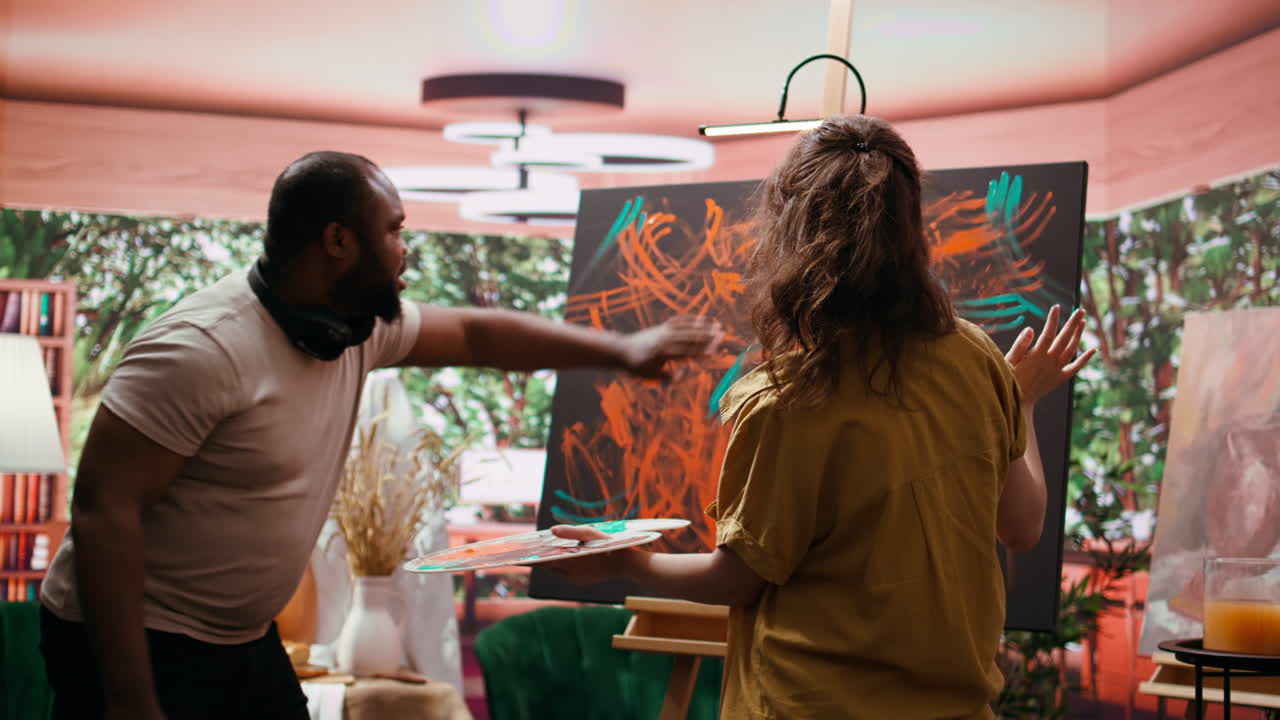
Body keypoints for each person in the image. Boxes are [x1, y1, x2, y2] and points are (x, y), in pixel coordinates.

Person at [37, 150, 721, 720]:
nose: (406, 249)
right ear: (339, 241)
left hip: (240, 640)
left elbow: (478, 334)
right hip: (134, 641)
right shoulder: (202, 349)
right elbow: (105, 512)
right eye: (394, 230)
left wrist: (626, 351)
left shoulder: (359, 328)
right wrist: (129, 699)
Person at [544, 115, 1095, 719]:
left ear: (789, 231)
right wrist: (1022, 399)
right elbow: (1021, 526)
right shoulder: (975, 357)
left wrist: (627, 560)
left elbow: (738, 580)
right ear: (912, 226)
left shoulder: (787, 399)